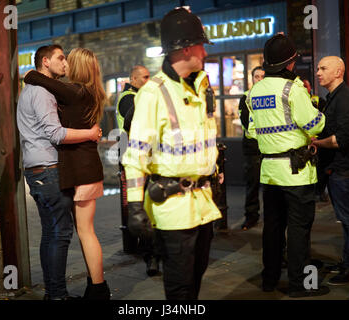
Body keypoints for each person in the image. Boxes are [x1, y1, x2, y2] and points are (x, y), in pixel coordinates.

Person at [122, 7, 222, 300]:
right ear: (187, 47)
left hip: (202, 205)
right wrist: (135, 207)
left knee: (196, 279)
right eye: (201, 45)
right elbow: (136, 155)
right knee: (179, 288)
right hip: (173, 209)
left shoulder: (200, 87)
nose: (205, 53)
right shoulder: (153, 93)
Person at [24, 47, 110, 300]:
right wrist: (92, 133)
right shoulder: (90, 92)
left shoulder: (75, 92)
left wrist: (33, 70)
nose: (65, 65)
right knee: (81, 231)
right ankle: (94, 288)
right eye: (61, 59)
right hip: (83, 167)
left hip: (81, 169)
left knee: (83, 232)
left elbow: (34, 77)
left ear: (78, 67)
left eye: (67, 61)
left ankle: (97, 289)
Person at [246, 33, 329, 297]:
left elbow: (251, 131)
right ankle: (299, 284)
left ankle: (269, 280)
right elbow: (314, 124)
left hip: (269, 172)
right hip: (296, 173)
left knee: (272, 227)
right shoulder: (292, 89)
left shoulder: (254, 91)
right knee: (298, 230)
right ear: (290, 63)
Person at [312, 56, 349, 286]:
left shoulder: (344, 99)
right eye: (318, 68)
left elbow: (341, 140)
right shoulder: (333, 98)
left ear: (338, 71)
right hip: (337, 171)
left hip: (345, 171)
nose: (318, 72)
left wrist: (315, 142)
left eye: (323, 68)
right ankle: (348, 262)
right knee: (346, 220)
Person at [116, 65, 161, 277]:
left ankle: (153, 252)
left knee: (152, 208)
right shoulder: (129, 98)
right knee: (141, 208)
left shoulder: (144, 96)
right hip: (135, 160)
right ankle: (149, 254)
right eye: (144, 77)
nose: (148, 80)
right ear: (133, 78)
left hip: (151, 158)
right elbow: (135, 124)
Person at [238, 66, 264, 230]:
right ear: (252, 78)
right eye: (257, 76)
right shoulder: (246, 97)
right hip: (253, 146)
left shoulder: (271, 95)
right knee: (252, 184)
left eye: (263, 76)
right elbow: (246, 123)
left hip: (269, 146)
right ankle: (251, 216)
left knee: (272, 186)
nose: (260, 79)